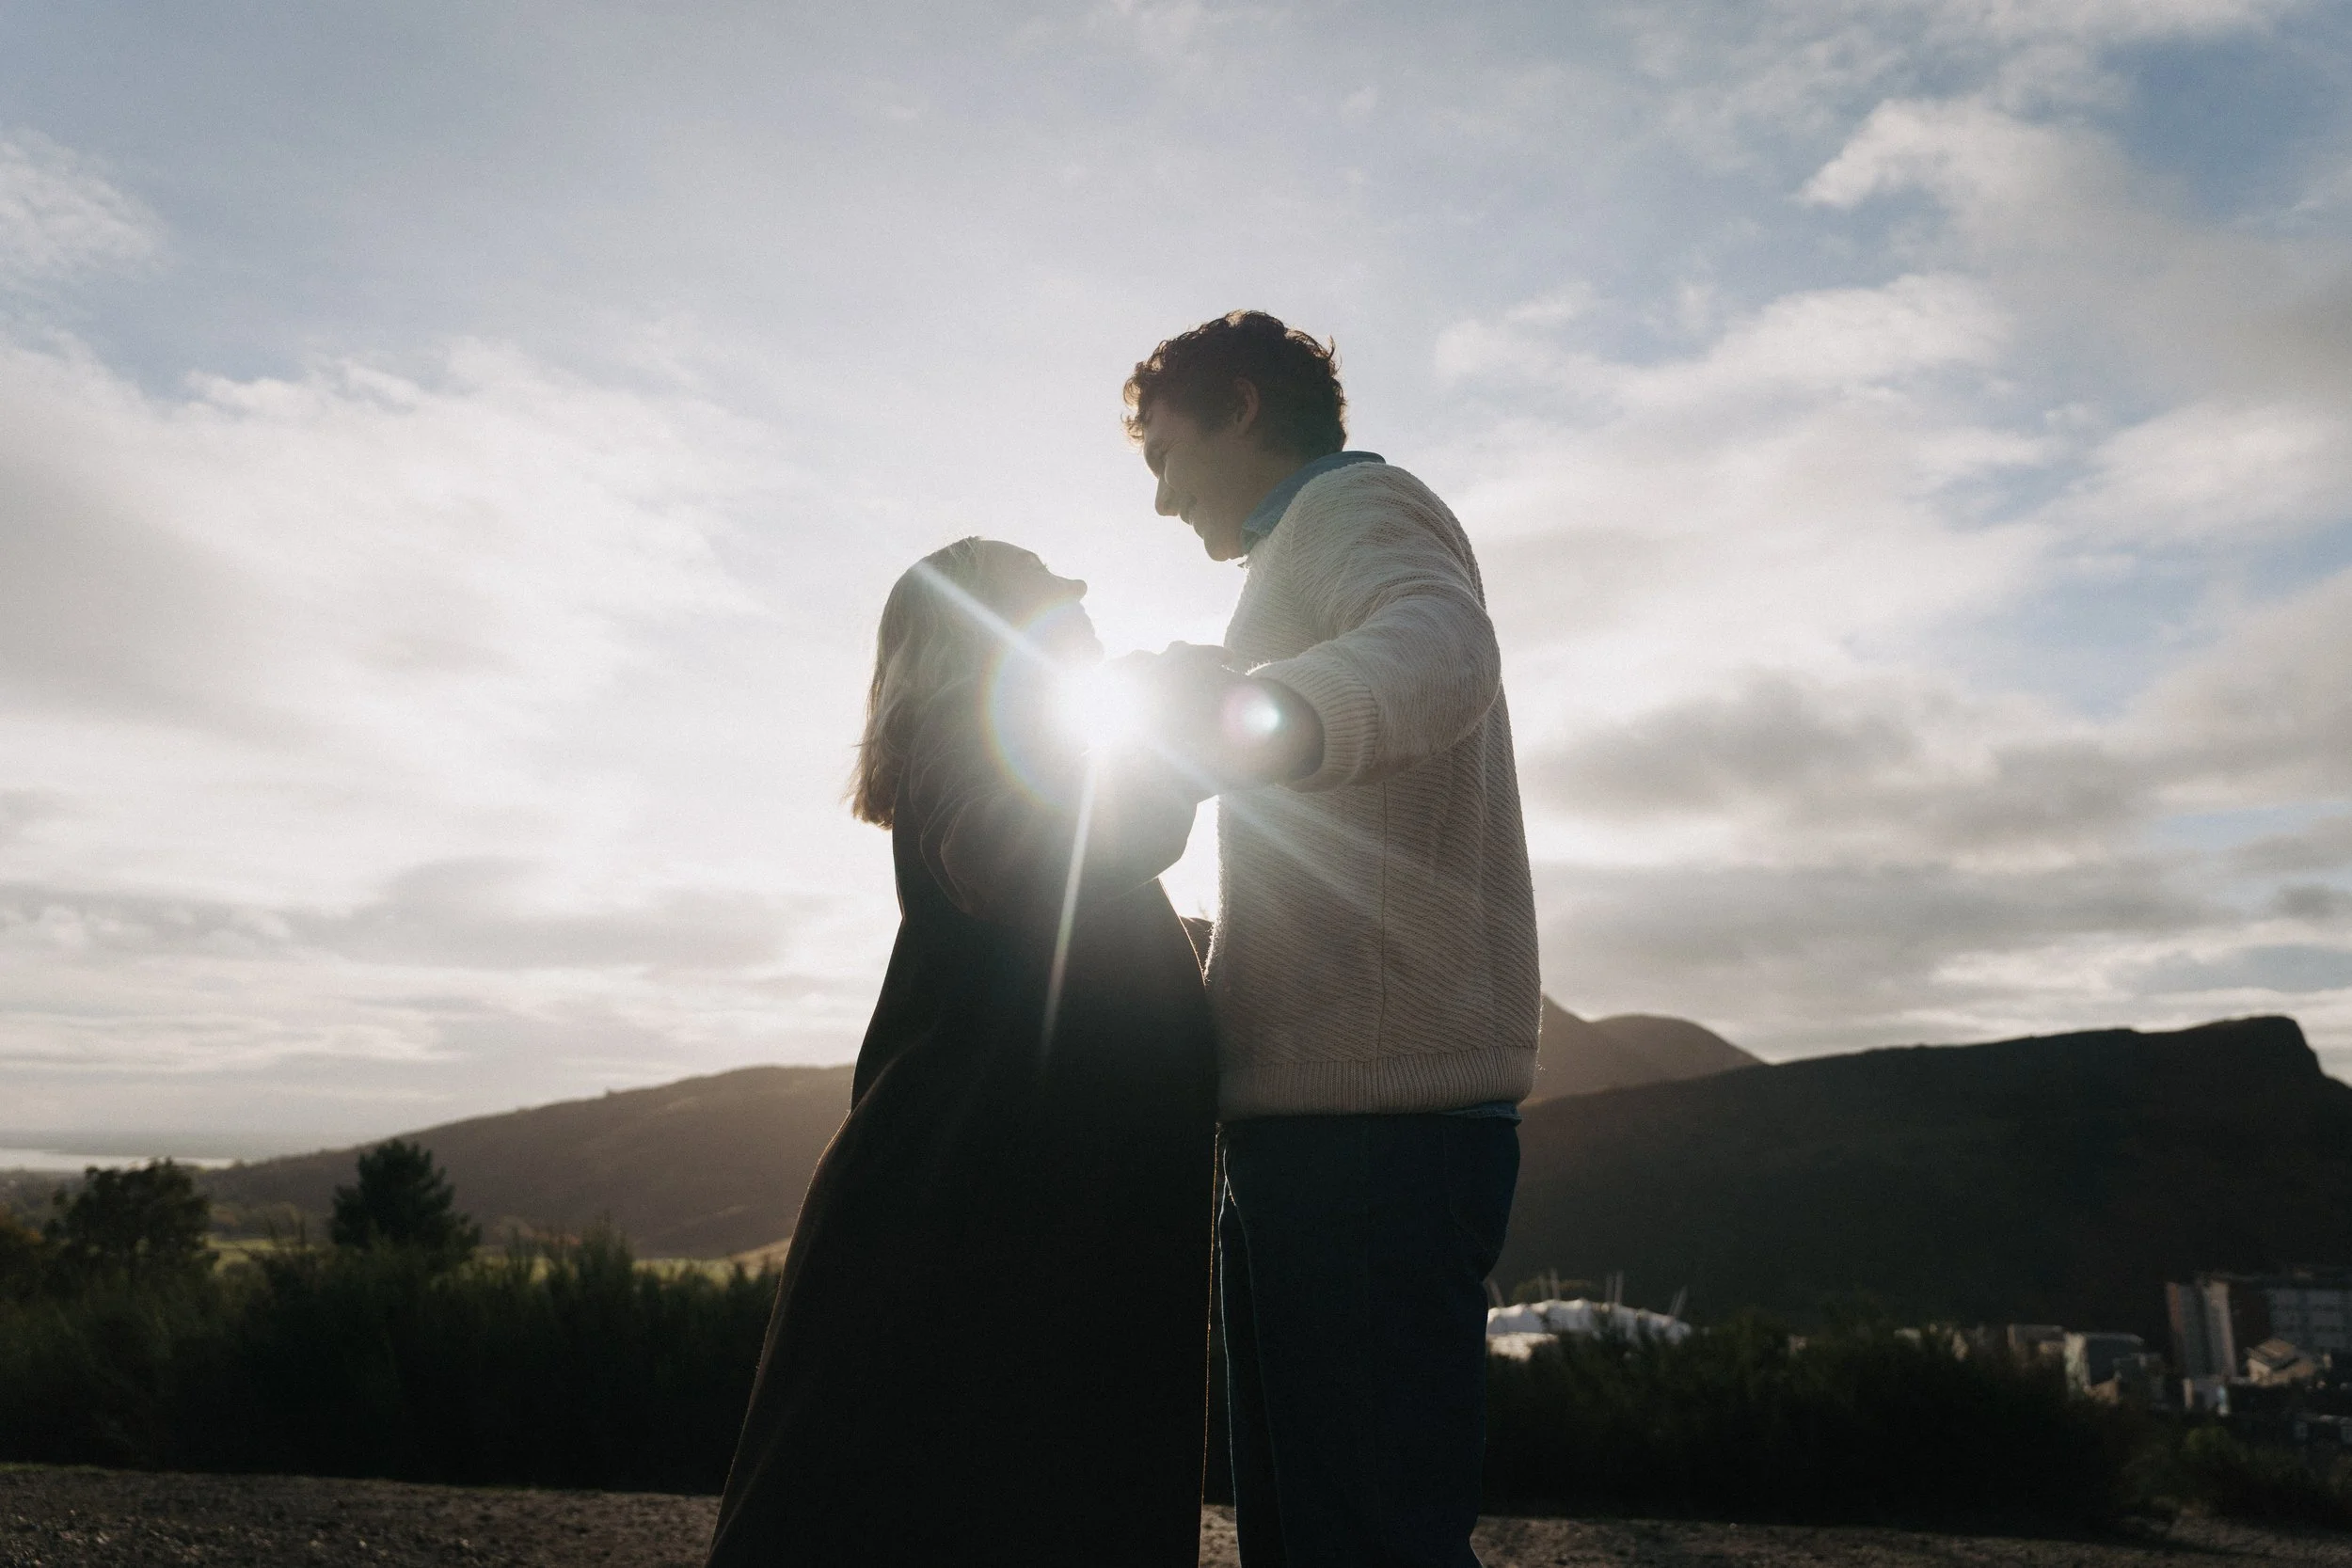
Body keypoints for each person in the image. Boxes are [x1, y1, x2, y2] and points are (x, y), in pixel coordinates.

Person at [705, 537, 1220, 1568]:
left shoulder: (1028, 755)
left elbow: (1049, 926)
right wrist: (1178, 724)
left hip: (1006, 1189)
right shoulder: (978, 746)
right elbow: (1014, 856)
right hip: (988, 1199)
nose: (1082, 602)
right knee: (973, 1491)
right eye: (1048, 592)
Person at [1123, 311, 1539, 1568]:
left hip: (1379, 1134)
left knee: (1367, 1540)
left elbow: (1443, 650)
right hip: (1316, 1123)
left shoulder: (1367, 512)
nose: (1159, 499)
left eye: (1162, 452)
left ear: (1241, 408)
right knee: (1306, 1535)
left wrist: (1264, 709)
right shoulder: (1288, 563)